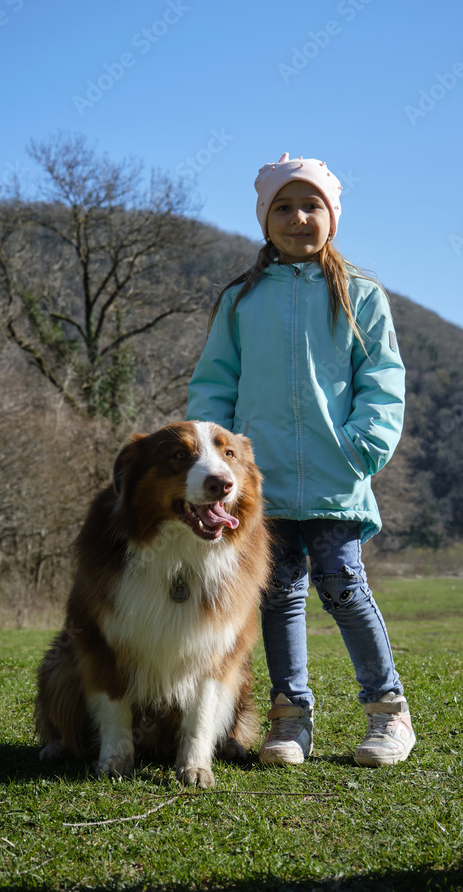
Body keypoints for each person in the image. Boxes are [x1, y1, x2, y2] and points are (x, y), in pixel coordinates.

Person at [185, 153, 415, 767]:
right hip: (259, 486)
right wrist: (220, 461)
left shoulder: (360, 296)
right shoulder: (241, 301)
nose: (298, 217)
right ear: (264, 221)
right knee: (279, 593)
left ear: (332, 217)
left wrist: (362, 445)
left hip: (338, 474)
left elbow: (383, 380)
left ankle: (387, 713)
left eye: (311, 205)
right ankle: (291, 720)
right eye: (282, 207)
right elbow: (214, 386)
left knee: (343, 585)